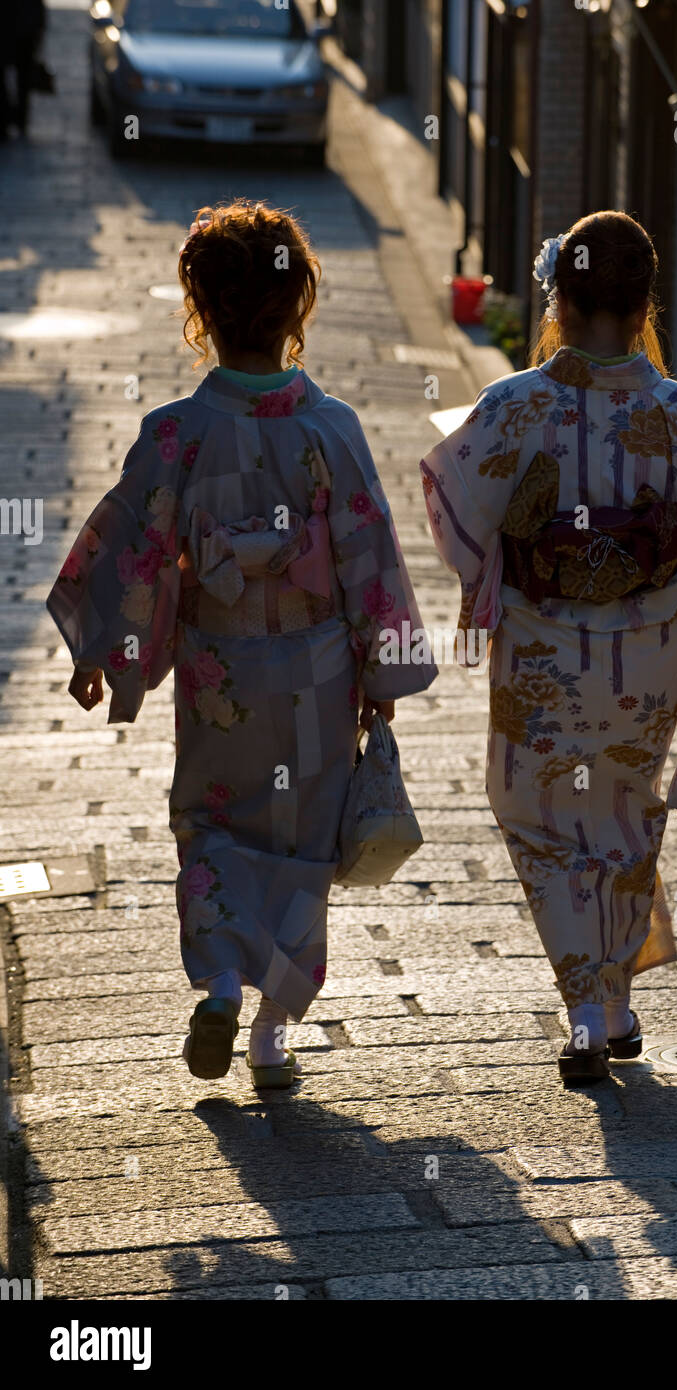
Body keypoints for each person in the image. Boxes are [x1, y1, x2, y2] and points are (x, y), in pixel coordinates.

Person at [48, 199, 436, 1087]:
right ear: (297, 304)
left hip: (220, 670)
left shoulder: (177, 434)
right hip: (318, 670)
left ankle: (220, 980)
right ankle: (269, 1039)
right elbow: (368, 553)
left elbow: (132, 547)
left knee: (214, 826)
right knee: (303, 843)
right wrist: (381, 670)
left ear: (200, 307)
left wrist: (101, 651)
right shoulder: (330, 429)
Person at [421, 210, 677, 1084]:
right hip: (646, 654)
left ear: (560, 299)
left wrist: (495, 574)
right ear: (644, 299)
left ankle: (585, 1008)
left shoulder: (513, 405)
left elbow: (455, 500)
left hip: (543, 652)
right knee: (622, 808)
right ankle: (615, 1003)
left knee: (536, 814)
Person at [0, 0, 47, 140]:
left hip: (18, 28)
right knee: (22, 78)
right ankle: (14, 118)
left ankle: (12, 118)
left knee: (21, 77)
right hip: (21, 28)